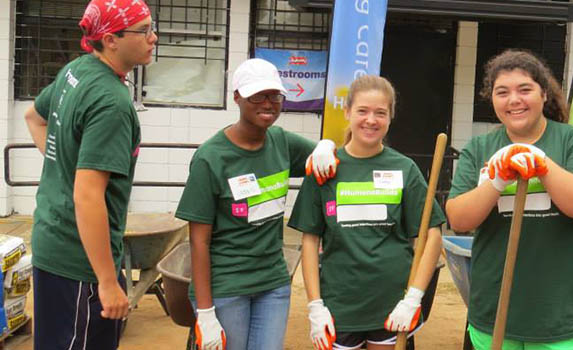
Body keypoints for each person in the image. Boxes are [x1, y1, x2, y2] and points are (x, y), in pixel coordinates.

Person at [445, 49, 573, 349]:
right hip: (494, 310)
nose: (514, 100)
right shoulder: (481, 147)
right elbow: (459, 219)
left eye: (525, 89)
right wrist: (495, 180)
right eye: (502, 92)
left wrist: (541, 163)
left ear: (544, 93)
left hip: (559, 312)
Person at [175, 58, 338, 350]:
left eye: (274, 96)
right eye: (257, 96)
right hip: (227, 286)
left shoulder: (281, 142)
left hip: (273, 283)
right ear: (237, 97)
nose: (268, 103)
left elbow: (325, 158)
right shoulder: (211, 158)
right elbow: (198, 242)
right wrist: (206, 312)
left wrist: (327, 145)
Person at [23, 1, 156, 348]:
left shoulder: (77, 70)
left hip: (52, 243)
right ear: (110, 39)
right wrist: (108, 283)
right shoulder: (111, 101)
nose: (153, 37)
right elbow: (87, 195)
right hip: (80, 263)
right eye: (143, 31)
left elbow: (34, 118)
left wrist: (66, 166)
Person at [287, 74, 445, 350]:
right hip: (339, 308)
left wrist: (413, 299)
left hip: (391, 307)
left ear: (390, 117)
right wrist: (315, 306)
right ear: (347, 112)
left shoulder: (404, 169)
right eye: (362, 111)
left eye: (380, 113)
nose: (371, 120)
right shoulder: (325, 170)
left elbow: (432, 235)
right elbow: (309, 241)